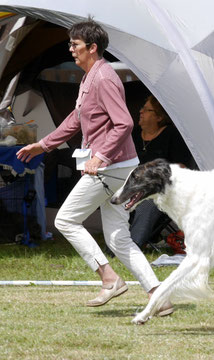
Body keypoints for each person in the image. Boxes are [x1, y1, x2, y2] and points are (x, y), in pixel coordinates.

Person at [16, 19, 173, 315]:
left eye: (75, 45)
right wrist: (44, 145)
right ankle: (158, 296)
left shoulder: (104, 78)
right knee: (117, 236)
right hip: (117, 166)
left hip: (111, 168)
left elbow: (124, 123)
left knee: (65, 220)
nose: (71, 49)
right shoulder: (90, 76)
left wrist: (100, 156)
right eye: (71, 44)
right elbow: (76, 120)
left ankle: (109, 278)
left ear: (93, 48)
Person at [129, 95, 192, 249]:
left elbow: (181, 167)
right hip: (131, 184)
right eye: (142, 108)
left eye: (146, 109)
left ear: (159, 116)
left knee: (150, 201)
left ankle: (132, 246)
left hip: (162, 187)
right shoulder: (133, 135)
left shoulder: (172, 135)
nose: (140, 111)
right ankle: (116, 244)